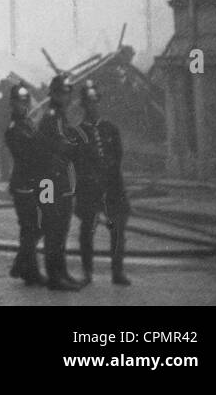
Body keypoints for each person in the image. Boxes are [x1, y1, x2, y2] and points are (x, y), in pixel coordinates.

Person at [75, 79, 131, 286]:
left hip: (112, 185)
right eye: (89, 102)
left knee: (117, 229)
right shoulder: (78, 132)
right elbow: (77, 162)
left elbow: (118, 155)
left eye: (96, 100)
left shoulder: (110, 128)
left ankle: (118, 272)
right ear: (83, 105)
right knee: (87, 230)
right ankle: (87, 272)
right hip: (89, 188)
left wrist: (110, 175)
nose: (93, 105)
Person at [36, 73, 82, 291]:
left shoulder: (60, 116)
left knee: (61, 229)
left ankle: (61, 272)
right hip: (50, 181)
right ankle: (55, 277)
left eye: (67, 93)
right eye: (62, 92)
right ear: (54, 94)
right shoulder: (51, 117)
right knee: (54, 229)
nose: (66, 96)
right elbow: (54, 147)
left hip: (60, 179)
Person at [3, 82, 45, 285]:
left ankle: (28, 270)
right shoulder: (14, 128)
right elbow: (28, 152)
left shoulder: (28, 124)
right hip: (23, 184)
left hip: (34, 182)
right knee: (31, 227)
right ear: (12, 104)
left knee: (35, 227)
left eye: (26, 100)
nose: (25, 104)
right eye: (20, 101)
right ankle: (23, 267)